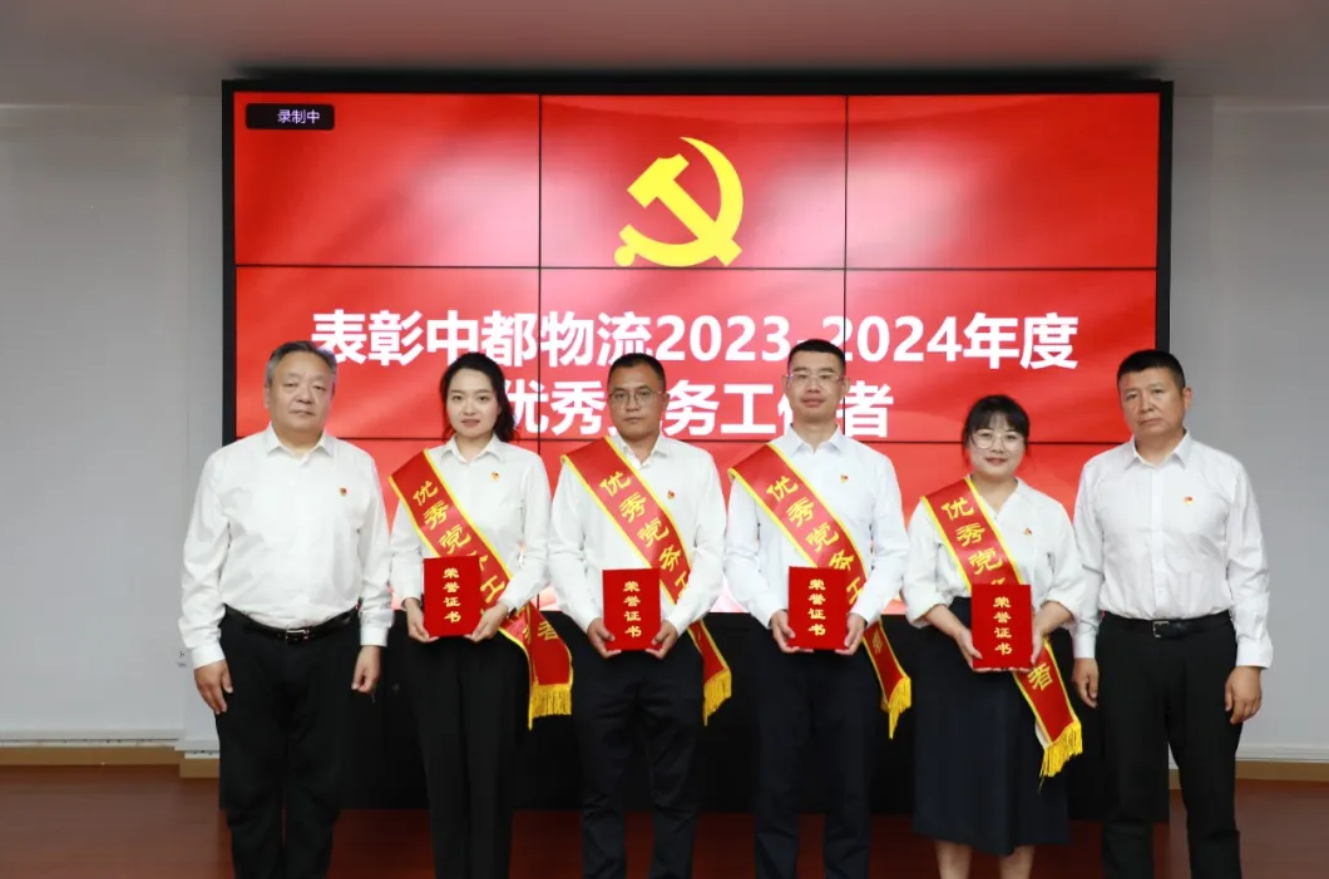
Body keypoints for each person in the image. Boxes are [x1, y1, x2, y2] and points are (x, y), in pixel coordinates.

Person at [179, 340, 393, 879]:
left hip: (332, 647)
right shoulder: (228, 466)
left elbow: (376, 563)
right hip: (247, 647)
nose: (305, 395)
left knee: (319, 790)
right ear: (267, 393)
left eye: (319, 386)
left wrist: (373, 640)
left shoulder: (357, 466)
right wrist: (203, 649)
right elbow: (201, 564)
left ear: (332, 397)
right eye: (292, 384)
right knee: (249, 790)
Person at [1072, 349, 1270, 879]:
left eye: (1157, 392)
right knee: (1126, 796)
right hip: (1125, 647)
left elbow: (1248, 572)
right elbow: (1087, 568)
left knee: (1211, 797)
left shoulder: (1223, 473)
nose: (1145, 405)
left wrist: (1250, 661)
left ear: (1185, 397)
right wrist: (1084, 649)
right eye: (1131, 396)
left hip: (1207, 647)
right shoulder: (1099, 474)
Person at [724, 338, 910, 879]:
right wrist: (771, 613)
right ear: (784, 387)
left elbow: (893, 553)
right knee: (775, 782)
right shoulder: (757, 469)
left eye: (825, 375)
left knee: (849, 784)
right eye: (801, 374)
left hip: (851, 646)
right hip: (776, 643)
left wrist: (862, 614)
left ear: (844, 388)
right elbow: (738, 556)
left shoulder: (874, 466)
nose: (812, 385)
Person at [388, 352, 572, 879]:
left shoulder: (524, 467)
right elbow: (403, 551)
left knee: (491, 775)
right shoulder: (423, 471)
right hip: (432, 639)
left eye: (481, 397)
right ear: (445, 405)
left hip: (499, 638)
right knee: (442, 773)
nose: (469, 408)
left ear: (500, 405)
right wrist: (411, 602)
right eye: (458, 397)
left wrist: (502, 606)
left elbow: (539, 555)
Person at [549, 351, 730, 879]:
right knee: (600, 788)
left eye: (643, 393)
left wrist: (678, 620)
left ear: (665, 400)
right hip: (600, 647)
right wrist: (588, 619)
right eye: (620, 395)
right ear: (607, 402)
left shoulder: (696, 465)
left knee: (676, 787)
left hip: (673, 646)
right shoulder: (582, 469)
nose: (631, 404)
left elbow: (711, 554)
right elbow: (563, 552)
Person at [902, 394, 1088, 879]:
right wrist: (959, 630)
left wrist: (1037, 628)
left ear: (1025, 445)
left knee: (1021, 780)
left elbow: (1071, 585)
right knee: (953, 780)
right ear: (967, 444)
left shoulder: (1047, 511)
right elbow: (916, 586)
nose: (998, 446)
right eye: (985, 435)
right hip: (953, 653)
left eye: (1010, 435)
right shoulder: (935, 509)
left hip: (1027, 649)